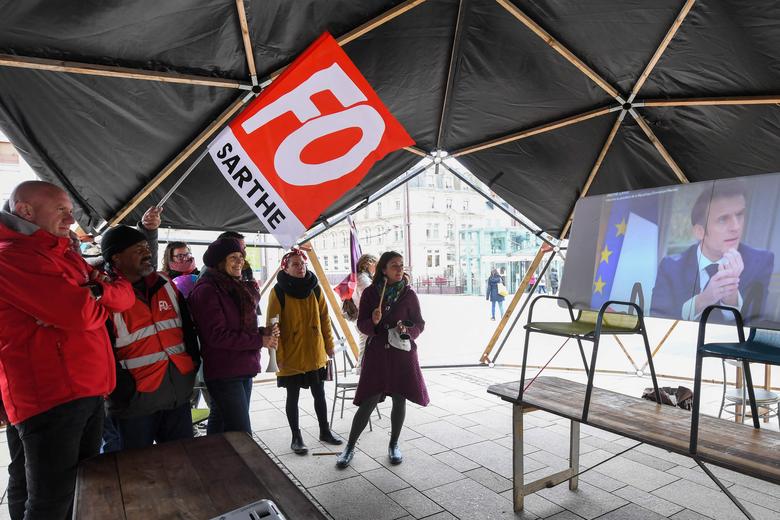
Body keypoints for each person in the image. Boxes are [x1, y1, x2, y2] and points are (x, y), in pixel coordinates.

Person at [0, 181, 135, 519]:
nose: (69, 217)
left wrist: (92, 293)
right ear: (25, 210)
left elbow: (124, 296)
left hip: (85, 389)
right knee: (50, 500)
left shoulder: (61, 253)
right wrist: (94, 294)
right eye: (60, 209)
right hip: (50, 394)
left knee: (74, 491)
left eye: (70, 210)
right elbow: (78, 313)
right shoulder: (12, 256)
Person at [100, 225, 200, 450]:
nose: (147, 253)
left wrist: (193, 362)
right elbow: (100, 351)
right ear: (116, 257)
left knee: (183, 463)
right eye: (138, 249)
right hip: (134, 403)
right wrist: (122, 390)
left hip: (177, 393)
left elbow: (187, 329)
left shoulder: (166, 285)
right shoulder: (105, 295)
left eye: (147, 247)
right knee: (137, 474)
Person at [336, 251, 428, 469]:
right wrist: (374, 322)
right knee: (369, 398)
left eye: (401, 265)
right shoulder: (370, 293)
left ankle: (394, 444)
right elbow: (362, 325)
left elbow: (420, 324)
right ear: (383, 270)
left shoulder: (409, 294)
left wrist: (408, 329)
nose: (399, 269)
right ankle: (349, 446)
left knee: (400, 397)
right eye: (394, 265)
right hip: (377, 352)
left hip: (401, 353)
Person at [188, 238, 278, 434]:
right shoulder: (207, 290)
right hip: (225, 372)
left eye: (241, 257)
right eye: (233, 258)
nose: (240, 262)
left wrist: (262, 332)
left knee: (220, 422)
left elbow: (238, 327)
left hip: (243, 366)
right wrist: (258, 340)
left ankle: (214, 462)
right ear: (220, 261)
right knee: (241, 432)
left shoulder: (235, 287)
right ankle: (240, 465)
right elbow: (216, 336)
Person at [651, 180, 774, 321]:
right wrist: (703, 300)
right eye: (723, 219)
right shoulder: (671, 266)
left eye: (739, 215)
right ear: (699, 231)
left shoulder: (761, 261)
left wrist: (731, 299)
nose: (736, 227)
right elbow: (657, 317)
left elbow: (756, 325)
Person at [266, 248, 342, 454]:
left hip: (315, 351)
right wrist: (276, 356)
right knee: (293, 396)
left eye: (303, 264)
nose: (301, 268)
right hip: (291, 354)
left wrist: (329, 344)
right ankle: (296, 437)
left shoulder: (315, 288)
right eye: (295, 265)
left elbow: (325, 318)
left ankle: (324, 430)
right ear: (286, 268)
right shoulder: (279, 291)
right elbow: (273, 325)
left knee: (320, 393)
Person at [353, 253, 377, 373]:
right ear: (368, 263)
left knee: (365, 344)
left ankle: (363, 371)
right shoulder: (363, 278)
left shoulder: (362, 277)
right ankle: (362, 371)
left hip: (363, 317)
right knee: (365, 345)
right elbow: (369, 297)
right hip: (365, 318)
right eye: (375, 264)